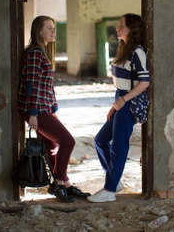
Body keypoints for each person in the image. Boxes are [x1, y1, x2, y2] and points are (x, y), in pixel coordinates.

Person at [18, 15, 90, 202]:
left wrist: (53, 105)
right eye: (49, 28)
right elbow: (31, 84)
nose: (53, 32)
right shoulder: (34, 53)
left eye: (53, 28)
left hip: (45, 107)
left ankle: (63, 183)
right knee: (67, 141)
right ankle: (59, 181)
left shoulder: (43, 52)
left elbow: (47, 85)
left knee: (52, 145)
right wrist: (33, 114)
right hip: (36, 109)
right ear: (39, 31)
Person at [88, 13, 150, 203]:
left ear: (131, 29)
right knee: (100, 140)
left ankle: (109, 190)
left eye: (121, 25)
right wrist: (115, 106)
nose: (117, 29)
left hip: (128, 102)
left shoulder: (137, 51)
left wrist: (123, 101)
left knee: (119, 146)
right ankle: (115, 182)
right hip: (120, 100)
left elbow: (145, 82)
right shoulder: (124, 49)